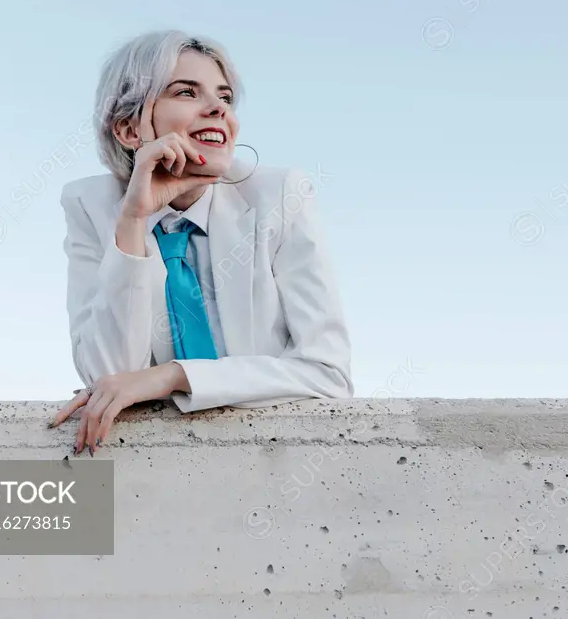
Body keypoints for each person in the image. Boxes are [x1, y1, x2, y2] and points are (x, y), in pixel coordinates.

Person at [47, 30, 353, 455]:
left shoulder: (281, 195)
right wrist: (133, 221)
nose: (217, 109)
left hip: (274, 458)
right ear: (129, 128)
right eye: (186, 92)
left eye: (225, 97)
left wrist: (174, 375)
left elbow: (327, 373)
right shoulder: (89, 205)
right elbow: (109, 377)